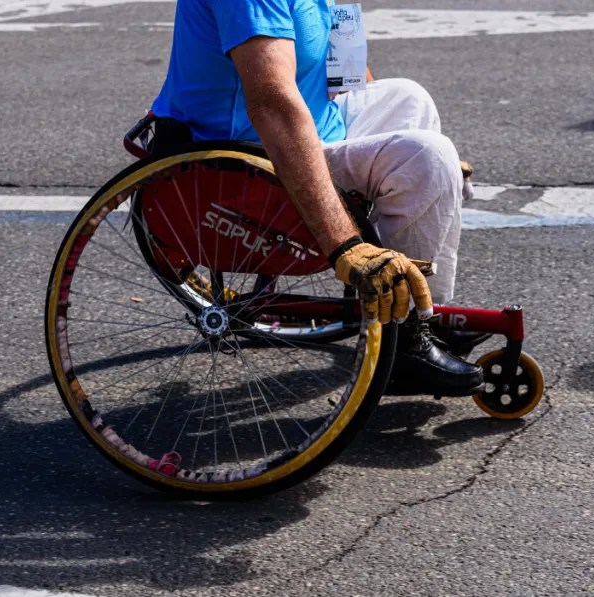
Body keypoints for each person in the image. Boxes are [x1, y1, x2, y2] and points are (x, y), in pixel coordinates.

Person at [150, 0, 484, 394]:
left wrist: (418, 162)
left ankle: (419, 316)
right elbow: (272, 105)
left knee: (410, 99)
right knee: (425, 157)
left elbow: (341, 60)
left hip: (310, 129)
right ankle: (400, 347)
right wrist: (346, 246)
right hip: (246, 166)